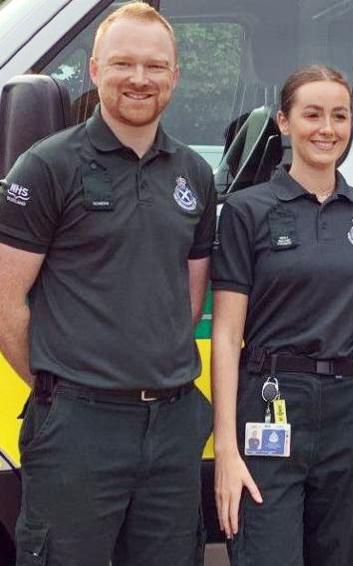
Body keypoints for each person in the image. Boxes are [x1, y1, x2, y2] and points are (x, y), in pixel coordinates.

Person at [0, 3, 215, 564]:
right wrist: (64, 390)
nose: (139, 79)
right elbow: (5, 300)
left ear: (174, 76)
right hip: (78, 429)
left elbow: (188, 297)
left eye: (155, 66)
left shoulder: (193, 173)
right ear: (95, 70)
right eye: (123, 64)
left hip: (172, 427)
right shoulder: (47, 167)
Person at [211, 64, 353, 566]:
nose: (327, 128)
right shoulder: (248, 210)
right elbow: (226, 335)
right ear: (285, 123)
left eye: (340, 116)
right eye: (312, 114)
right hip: (270, 401)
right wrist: (226, 447)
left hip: (350, 409)